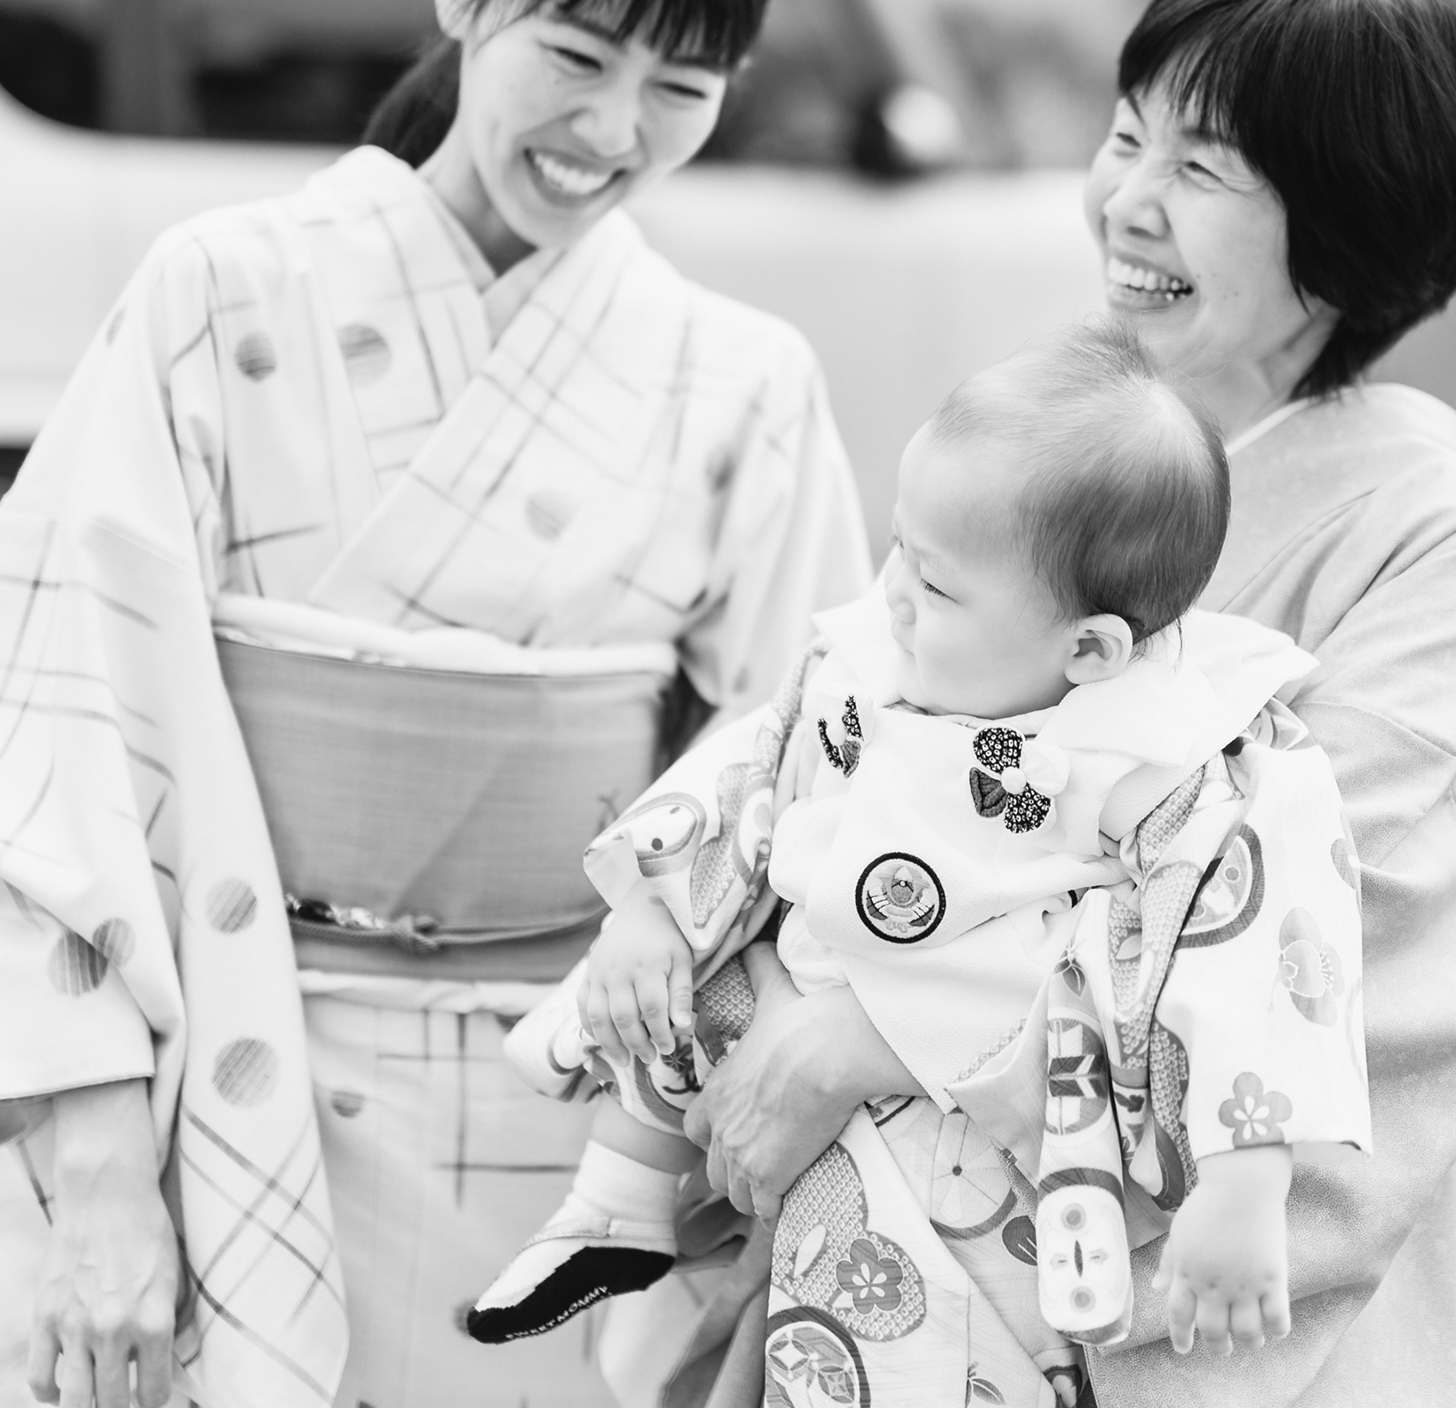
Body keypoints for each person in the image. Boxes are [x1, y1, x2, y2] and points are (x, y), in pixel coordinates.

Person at [0, 0, 871, 1408]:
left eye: (682, 88)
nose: (614, 130)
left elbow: (821, 776)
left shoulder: (745, 378)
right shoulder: (218, 291)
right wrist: (99, 1171)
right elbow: (40, 735)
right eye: (577, 54)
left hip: (579, 1110)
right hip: (243, 1066)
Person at [621, 0, 1456, 1408]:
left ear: (1349, 221)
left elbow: (1299, 908)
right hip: (897, 1229)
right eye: (1128, 138)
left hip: (1209, 1283)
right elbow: (857, 726)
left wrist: (888, 1027)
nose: (1127, 200)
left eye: (1201, 170)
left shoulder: (1427, 535)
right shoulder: (1065, 430)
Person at [466, 322, 1369, 1396]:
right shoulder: (874, 658)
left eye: (937, 588)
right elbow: (754, 767)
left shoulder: (1162, 753)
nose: (895, 593)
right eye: (899, 548)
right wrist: (650, 910)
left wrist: (1243, 1177)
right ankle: (616, 1206)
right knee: (667, 988)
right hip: (786, 1011)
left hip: (969, 1138)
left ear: (1091, 648)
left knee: (904, 1339)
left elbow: (1256, 940)